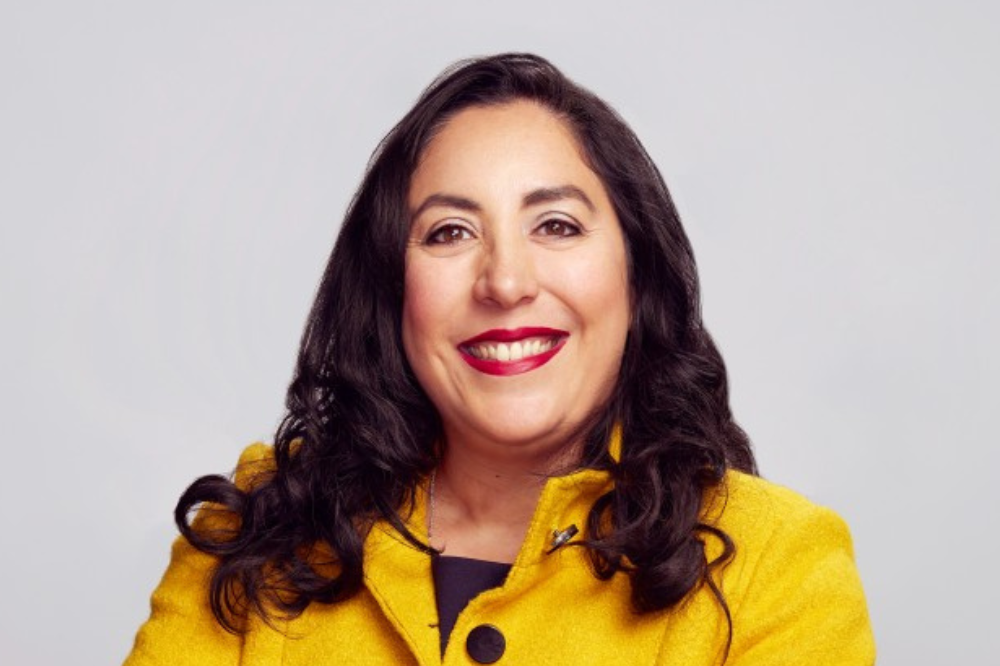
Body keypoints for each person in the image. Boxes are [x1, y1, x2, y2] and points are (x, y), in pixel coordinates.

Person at [124, 53, 875, 665]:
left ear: (636, 274)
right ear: (392, 288)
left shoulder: (777, 568)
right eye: (450, 232)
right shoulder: (256, 533)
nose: (506, 283)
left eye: (556, 225)